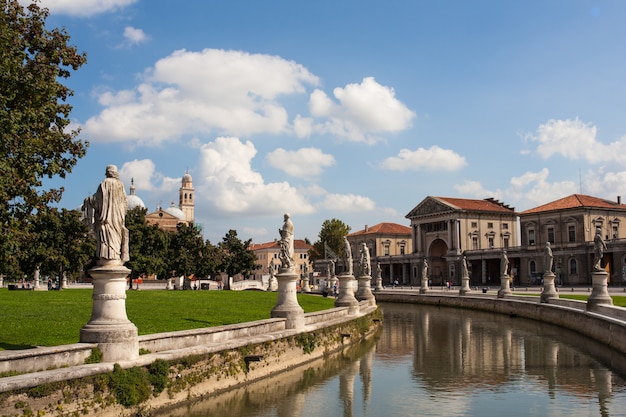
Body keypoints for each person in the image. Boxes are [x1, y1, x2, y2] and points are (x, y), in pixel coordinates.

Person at [82, 165, 129, 264]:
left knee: (106, 239)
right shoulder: (120, 185)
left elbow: (97, 200)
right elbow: (125, 202)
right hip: (117, 219)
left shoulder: (104, 183)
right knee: (115, 238)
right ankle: (115, 256)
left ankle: (106, 257)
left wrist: (88, 200)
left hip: (106, 219)